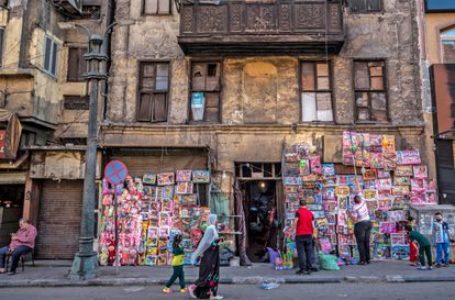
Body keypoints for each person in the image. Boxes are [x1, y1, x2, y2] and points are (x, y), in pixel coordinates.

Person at [189, 214, 223, 300]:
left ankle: (212, 295)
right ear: (212, 219)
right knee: (207, 275)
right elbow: (207, 243)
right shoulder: (210, 228)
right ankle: (192, 287)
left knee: (213, 275)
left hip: (213, 255)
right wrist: (219, 241)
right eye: (215, 219)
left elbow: (212, 241)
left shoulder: (213, 228)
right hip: (209, 256)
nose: (217, 220)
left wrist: (219, 241)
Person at [294, 198, 314, 275]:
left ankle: (302, 269)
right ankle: (309, 268)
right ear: (306, 205)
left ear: (299, 205)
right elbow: (313, 225)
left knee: (301, 252)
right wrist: (313, 233)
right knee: (309, 252)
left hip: (300, 234)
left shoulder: (298, 212)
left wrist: (292, 230)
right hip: (309, 234)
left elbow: (295, 222)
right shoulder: (310, 213)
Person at [351, 195, 372, 265]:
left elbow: (354, 219)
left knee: (360, 243)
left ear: (354, 201)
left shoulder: (354, 207)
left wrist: (349, 215)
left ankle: (363, 260)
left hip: (360, 224)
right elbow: (359, 189)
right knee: (366, 242)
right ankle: (368, 259)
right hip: (368, 223)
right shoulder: (363, 201)